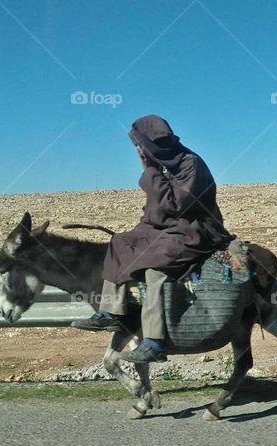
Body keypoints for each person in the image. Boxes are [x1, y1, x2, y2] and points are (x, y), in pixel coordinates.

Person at [71, 115, 233, 363]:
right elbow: (154, 210)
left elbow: (176, 204)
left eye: (140, 145)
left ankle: (154, 343)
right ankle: (111, 311)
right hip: (166, 227)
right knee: (120, 242)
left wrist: (148, 171)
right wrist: (139, 234)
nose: (139, 150)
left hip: (196, 230)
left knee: (155, 267)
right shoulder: (162, 164)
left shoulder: (190, 164)